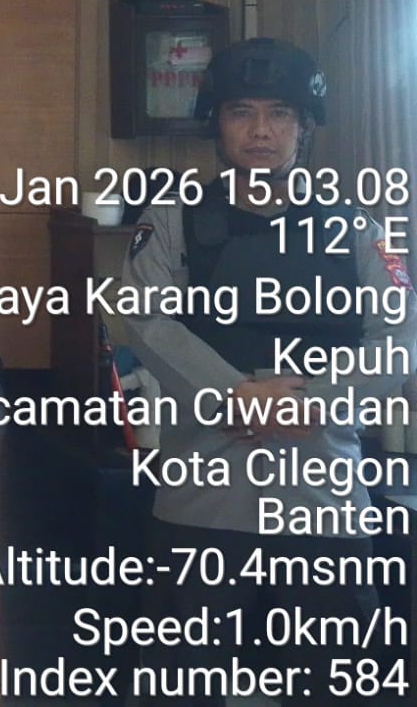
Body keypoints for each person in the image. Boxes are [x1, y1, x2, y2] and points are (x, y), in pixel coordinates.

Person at [118, 37, 415, 705]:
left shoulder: (357, 227)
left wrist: (314, 400)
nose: (261, 131)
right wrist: (235, 394)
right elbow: (145, 320)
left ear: (304, 127)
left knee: (334, 686)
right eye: (241, 112)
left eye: (280, 113)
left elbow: (401, 335)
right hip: (203, 497)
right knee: (179, 687)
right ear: (216, 124)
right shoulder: (172, 221)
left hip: (324, 502)